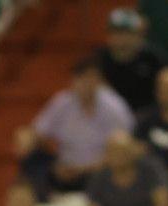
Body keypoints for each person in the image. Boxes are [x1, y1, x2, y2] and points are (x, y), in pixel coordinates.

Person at [18, 58, 135, 198]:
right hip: (65, 168)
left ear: (99, 81)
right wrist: (28, 141)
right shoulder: (62, 103)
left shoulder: (114, 107)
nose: (86, 84)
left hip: (100, 169)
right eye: (81, 79)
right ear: (73, 81)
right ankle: (39, 205)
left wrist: (86, 169)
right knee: (32, 159)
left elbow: (127, 146)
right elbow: (35, 133)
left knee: (118, 163)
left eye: (90, 79)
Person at [96, 8, 164, 113]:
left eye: (127, 33)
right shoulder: (99, 60)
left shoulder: (153, 59)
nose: (122, 39)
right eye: (117, 33)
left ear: (139, 35)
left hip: (147, 118)